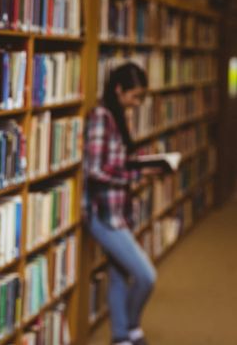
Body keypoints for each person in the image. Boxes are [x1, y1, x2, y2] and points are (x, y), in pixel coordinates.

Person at [84, 62, 157, 345]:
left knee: (119, 275)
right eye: (135, 96)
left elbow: (117, 162)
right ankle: (132, 325)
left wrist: (146, 165)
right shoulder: (102, 116)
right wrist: (137, 173)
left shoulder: (119, 116)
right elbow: (95, 169)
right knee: (146, 276)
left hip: (120, 211)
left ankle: (121, 336)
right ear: (118, 89)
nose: (137, 103)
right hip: (103, 215)